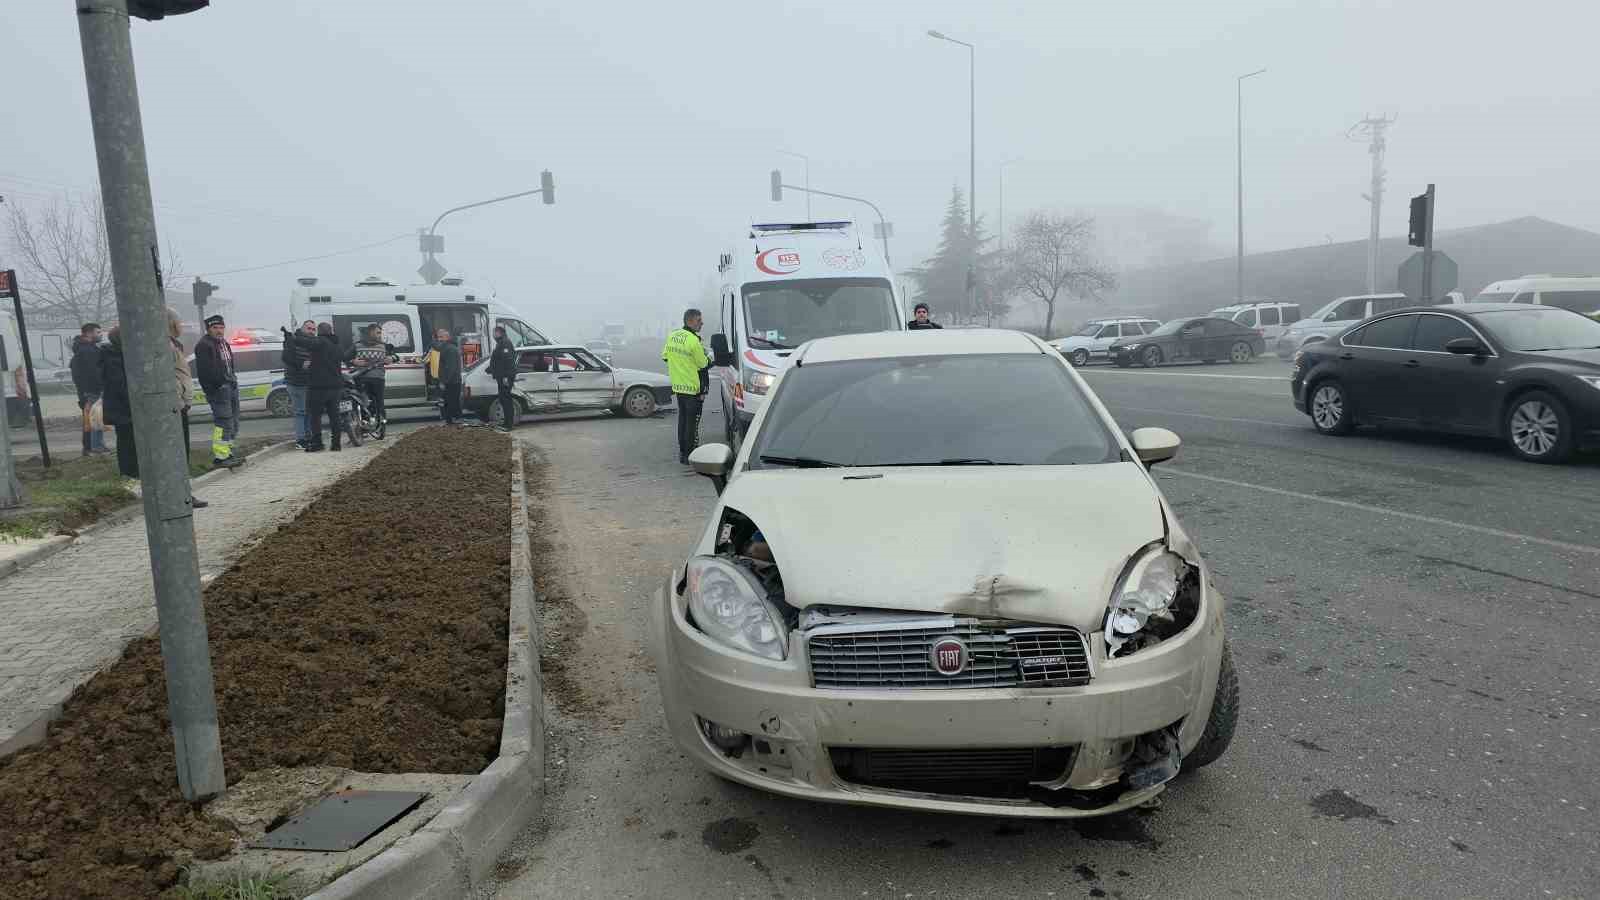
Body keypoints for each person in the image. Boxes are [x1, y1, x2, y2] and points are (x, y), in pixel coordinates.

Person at [169, 309, 208, 509]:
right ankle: (180, 496)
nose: (181, 325)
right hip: (174, 407)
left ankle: (184, 494)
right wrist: (180, 399)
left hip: (180, 404)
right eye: (179, 322)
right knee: (176, 454)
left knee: (181, 454)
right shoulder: (164, 345)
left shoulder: (174, 344)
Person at [661, 308, 710, 465]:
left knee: (682, 421)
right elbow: (703, 364)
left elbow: (665, 357)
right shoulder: (693, 340)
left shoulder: (672, 336)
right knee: (691, 423)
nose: (701, 323)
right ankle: (690, 454)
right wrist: (710, 357)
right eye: (698, 320)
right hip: (692, 388)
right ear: (689, 321)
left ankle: (683, 452)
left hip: (678, 387)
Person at [193, 314, 243, 468]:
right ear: (208, 329)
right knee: (223, 422)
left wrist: (232, 381)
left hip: (230, 386)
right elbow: (205, 371)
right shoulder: (204, 345)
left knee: (233, 421)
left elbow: (228, 366)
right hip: (219, 390)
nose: (219, 331)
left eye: (221, 327)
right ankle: (221, 457)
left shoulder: (224, 343)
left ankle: (228, 452)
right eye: (215, 328)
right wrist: (218, 385)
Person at [98, 327, 137, 482]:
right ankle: (129, 474)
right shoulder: (114, 358)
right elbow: (120, 385)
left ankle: (131, 473)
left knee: (129, 441)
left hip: (123, 408)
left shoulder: (116, 355)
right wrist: (134, 403)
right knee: (127, 442)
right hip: (122, 409)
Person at [301, 322, 345, 452]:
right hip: (335, 386)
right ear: (331, 331)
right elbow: (344, 357)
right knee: (334, 416)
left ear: (319, 332)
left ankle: (317, 443)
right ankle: (336, 444)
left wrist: (296, 335)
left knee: (315, 416)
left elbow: (305, 343)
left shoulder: (320, 342)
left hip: (318, 387)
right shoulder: (337, 345)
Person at [345, 322, 392, 437]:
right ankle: (364, 424)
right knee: (363, 402)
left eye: (380, 333)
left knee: (379, 403)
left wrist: (391, 358)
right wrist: (353, 361)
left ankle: (382, 425)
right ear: (370, 332)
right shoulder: (357, 345)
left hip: (378, 378)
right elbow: (344, 357)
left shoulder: (384, 346)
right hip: (362, 378)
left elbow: (395, 356)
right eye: (378, 332)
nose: (380, 335)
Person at [69, 322, 108, 456]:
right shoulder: (88, 351)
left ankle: (90, 447)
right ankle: (95, 447)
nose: (101, 334)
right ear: (89, 333)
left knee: (90, 418)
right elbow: (94, 373)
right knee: (95, 418)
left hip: (85, 390)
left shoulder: (83, 349)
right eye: (98, 332)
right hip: (92, 390)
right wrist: (100, 388)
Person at [281, 319, 316, 449]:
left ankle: (308, 437)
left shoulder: (312, 343)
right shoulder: (293, 340)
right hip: (296, 382)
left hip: (309, 382)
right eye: (309, 328)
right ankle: (301, 440)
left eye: (313, 329)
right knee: (301, 411)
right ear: (302, 329)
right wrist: (301, 364)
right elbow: (286, 357)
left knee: (308, 412)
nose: (312, 331)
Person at [427, 328, 464, 424]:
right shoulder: (447, 347)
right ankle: (451, 421)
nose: (439, 339)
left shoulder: (450, 349)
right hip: (452, 381)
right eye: (438, 337)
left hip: (452, 381)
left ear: (447, 337)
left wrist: (444, 381)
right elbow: (437, 346)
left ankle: (454, 422)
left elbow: (450, 368)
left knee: (451, 402)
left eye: (441, 337)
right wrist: (433, 339)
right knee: (448, 402)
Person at [487, 325, 518, 433]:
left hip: (506, 376)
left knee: (506, 399)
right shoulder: (501, 343)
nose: (493, 335)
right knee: (503, 399)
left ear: (499, 333)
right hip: (502, 376)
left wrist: (505, 377)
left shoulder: (505, 343)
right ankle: (506, 423)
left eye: (494, 333)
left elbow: (508, 360)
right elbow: (499, 360)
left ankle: (509, 424)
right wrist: (491, 368)